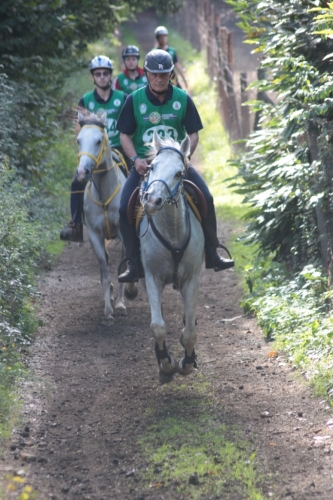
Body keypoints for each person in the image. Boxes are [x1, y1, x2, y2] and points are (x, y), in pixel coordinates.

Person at [116, 49, 234, 283]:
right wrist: (135, 160)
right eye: (154, 74)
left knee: (207, 198)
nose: (159, 79)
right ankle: (132, 261)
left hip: (175, 163)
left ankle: (212, 253)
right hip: (145, 166)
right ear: (146, 74)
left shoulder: (182, 98)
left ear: (171, 74)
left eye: (164, 74)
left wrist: (183, 157)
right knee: (123, 209)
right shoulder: (134, 100)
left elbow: (193, 134)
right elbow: (124, 136)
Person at [60, 55, 128, 243]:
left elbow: (131, 124)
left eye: (105, 73)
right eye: (97, 74)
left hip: (119, 148)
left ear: (110, 75)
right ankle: (75, 224)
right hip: (95, 151)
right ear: (93, 77)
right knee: (77, 181)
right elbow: (78, 131)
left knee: (135, 177)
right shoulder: (86, 100)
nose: (102, 77)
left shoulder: (123, 98)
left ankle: (139, 220)